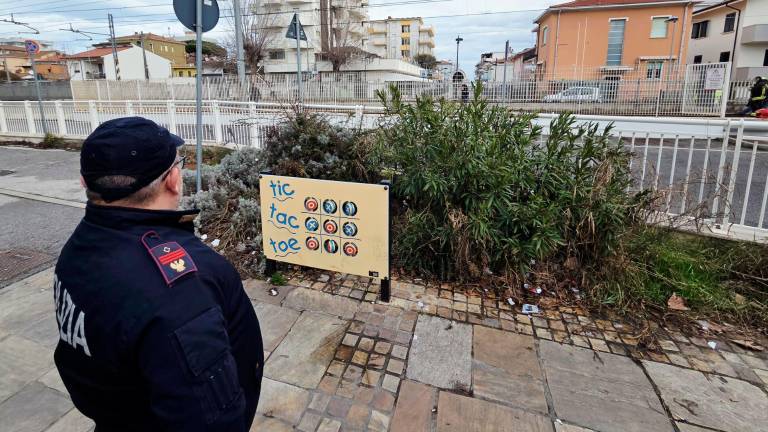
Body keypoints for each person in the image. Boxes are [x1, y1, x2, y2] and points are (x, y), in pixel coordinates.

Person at [53, 117, 263, 431]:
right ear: (173, 180)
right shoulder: (182, 291)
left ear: (86, 183)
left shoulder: (80, 248)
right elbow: (210, 420)